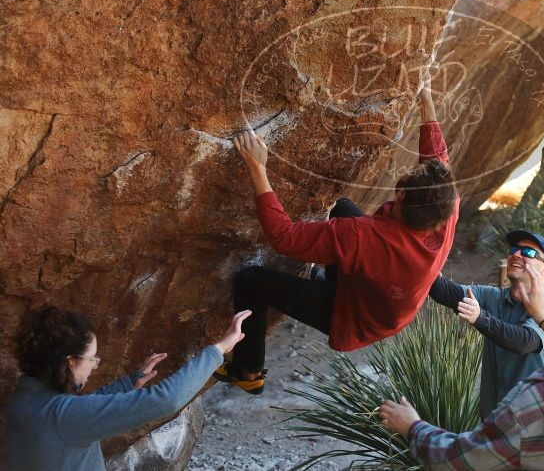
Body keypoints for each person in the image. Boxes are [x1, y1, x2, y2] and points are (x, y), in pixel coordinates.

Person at [216, 71, 459, 395]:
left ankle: (248, 371)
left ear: (400, 196)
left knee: (250, 281)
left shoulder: (364, 237)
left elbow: (284, 237)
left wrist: (258, 168)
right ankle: (330, 282)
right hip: (389, 299)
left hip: (354, 318)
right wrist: (426, 99)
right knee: (341, 206)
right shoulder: (443, 208)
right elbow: (436, 159)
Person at [380, 277, 544, 471]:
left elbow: (461, 459)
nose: (519, 256)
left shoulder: (534, 399)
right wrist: (542, 315)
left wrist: (413, 427)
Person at [5, 305, 250, 471]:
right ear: (70, 361)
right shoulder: (64, 418)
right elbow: (167, 399)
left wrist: (128, 383)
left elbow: (79, 410)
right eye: (92, 359)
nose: (94, 367)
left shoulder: (21, 401)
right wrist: (218, 350)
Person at [427, 229, 544, 418]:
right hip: (495, 419)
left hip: (534, 422)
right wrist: (422, 253)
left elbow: (525, 342)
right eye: (514, 249)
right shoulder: (493, 296)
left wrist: (481, 319)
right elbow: (445, 292)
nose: (516, 254)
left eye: (528, 252)